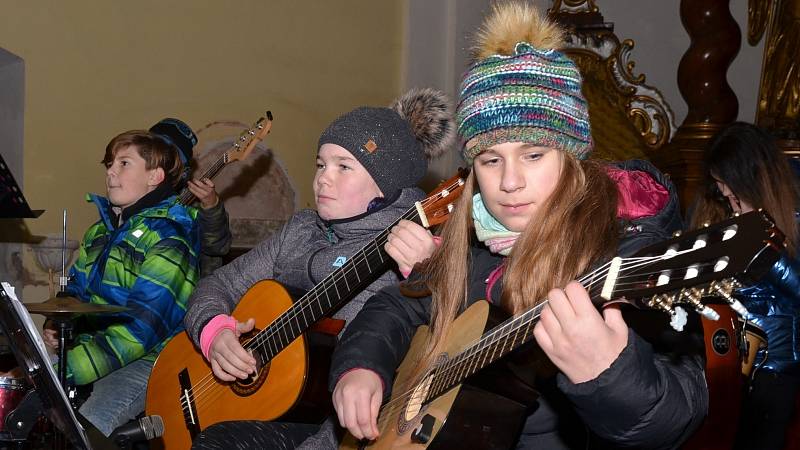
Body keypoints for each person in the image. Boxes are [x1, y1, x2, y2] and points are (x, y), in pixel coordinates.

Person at [329, 3, 708, 449]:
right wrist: (359, 367)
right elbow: (395, 307)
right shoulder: (479, 245)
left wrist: (609, 375)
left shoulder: (630, 249)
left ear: (572, 160)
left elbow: (686, 408)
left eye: (533, 155)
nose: (509, 183)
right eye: (491, 160)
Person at [186, 87, 454, 449]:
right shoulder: (299, 231)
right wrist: (214, 332)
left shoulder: (413, 246)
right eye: (321, 164)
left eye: (344, 166)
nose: (324, 177)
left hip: (339, 426)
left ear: (385, 182)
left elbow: (440, 338)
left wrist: (429, 274)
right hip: (270, 407)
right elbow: (218, 284)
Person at [42, 121, 202, 438]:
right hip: (97, 349)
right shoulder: (101, 231)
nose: (110, 172)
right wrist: (56, 321)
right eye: (110, 164)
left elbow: (142, 328)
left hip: (150, 362)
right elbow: (75, 289)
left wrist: (70, 368)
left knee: (85, 429)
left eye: (124, 163)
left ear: (154, 177)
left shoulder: (170, 239)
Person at [690, 121, 800, 450]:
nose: (725, 194)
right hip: (726, 353)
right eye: (720, 185)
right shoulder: (724, 206)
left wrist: (765, 249)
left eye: (729, 185)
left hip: (776, 362)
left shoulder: (792, 208)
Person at [149, 118, 233, 277]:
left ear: (181, 170)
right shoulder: (128, 193)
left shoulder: (190, 204)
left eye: (168, 157)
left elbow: (218, 247)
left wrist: (211, 207)